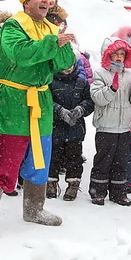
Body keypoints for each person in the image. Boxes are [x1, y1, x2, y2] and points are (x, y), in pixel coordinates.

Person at [0, 0, 75, 239]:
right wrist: (54, 43)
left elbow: (64, 65)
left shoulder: (51, 28)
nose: (46, 1)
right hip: (14, 101)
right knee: (5, 159)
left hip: (41, 100)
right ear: (26, 0)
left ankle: (34, 209)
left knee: (40, 159)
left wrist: (63, 45)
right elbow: (20, 55)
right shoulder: (13, 26)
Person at [89, 27, 131, 207]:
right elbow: (98, 98)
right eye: (116, 54)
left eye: (122, 53)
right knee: (103, 160)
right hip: (106, 125)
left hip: (125, 126)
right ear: (108, 55)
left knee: (121, 161)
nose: (119, 57)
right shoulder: (100, 73)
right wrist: (111, 88)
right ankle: (98, 191)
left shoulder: (129, 75)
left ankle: (118, 192)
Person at [48, 61, 93, 201]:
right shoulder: (51, 81)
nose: (67, 68)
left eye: (69, 65)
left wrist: (81, 109)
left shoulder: (82, 82)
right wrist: (59, 111)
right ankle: (51, 183)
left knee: (74, 158)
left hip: (75, 128)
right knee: (53, 157)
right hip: (56, 127)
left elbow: (90, 101)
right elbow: (46, 101)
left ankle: (73, 183)